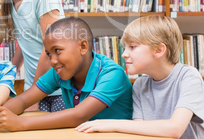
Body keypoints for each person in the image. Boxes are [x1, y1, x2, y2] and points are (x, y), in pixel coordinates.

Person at [0, 17, 133, 131]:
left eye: (57, 51)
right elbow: (24, 100)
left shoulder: (112, 74)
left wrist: (20, 123)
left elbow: (78, 116)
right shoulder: (59, 72)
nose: (52, 61)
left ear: (83, 47)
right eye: (49, 54)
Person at [75, 15, 204, 139]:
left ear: (159, 50)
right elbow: (138, 129)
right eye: (124, 48)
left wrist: (112, 124)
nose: (124, 54)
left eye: (132, 47)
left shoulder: (189, 77)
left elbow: (175, 129)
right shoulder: (140, 84)